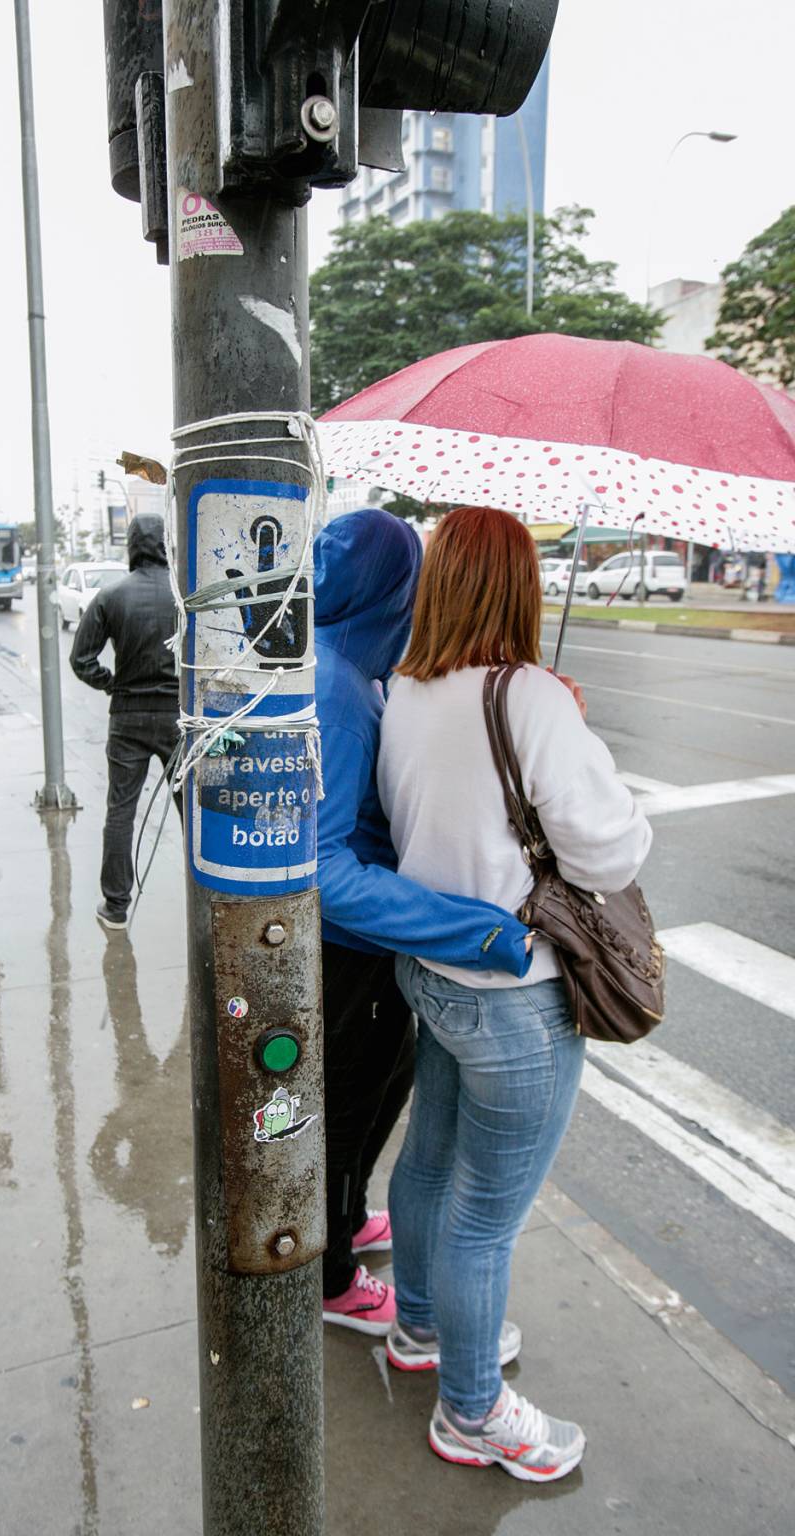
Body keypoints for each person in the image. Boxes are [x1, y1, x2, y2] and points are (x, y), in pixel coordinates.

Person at [378, 506, 652, 1483]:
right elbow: (607, 848)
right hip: (513, 998)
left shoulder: (406, 689)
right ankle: (470, 1411)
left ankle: (418, 1327)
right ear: (521, 586)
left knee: (427, 1165)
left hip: (433, 975)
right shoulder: (528, 695)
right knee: (484, 1216)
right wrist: (575, 736)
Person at [314, 508, 533, 1336]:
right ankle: (332, 1273)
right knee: (346, 1109)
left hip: (369, 949)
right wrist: (471, 926)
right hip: (352, 951)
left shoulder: (345, 666)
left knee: (378, 1093)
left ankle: (344, 1220)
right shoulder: (336, 688)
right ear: (392, 590)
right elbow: (325, 870)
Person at [69, 513, 179, 931]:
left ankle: (115, 906)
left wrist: (112, 683)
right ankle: (207, 896)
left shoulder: (109, 596)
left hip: (127, 716)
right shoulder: (186, 596)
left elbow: (80, 660)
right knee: (194, 813)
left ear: (132, 547)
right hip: (177, 717)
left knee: (121, 811)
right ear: (166, 544)